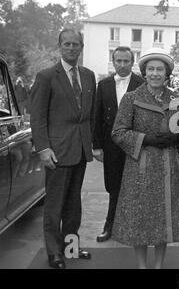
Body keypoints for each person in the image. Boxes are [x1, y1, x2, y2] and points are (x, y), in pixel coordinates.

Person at [111, 47, 179, 269]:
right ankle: (141, 266)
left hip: (168, 167)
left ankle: (158, 265)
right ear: (144, 72)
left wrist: (177, 139)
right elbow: (118, 132)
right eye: (151, 69)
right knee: (140, 218)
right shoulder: (131, 98)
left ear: (167, 74)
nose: (155, 73)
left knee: (163, 219)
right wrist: (145, 139)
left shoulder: (177, 99)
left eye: (160, 69)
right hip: (140, 167)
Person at [30, 28, 96, 269]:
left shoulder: (88, 76)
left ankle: (70, 247)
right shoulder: (46, 76)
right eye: (66, 44)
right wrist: (43, 148)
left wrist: (93, 144)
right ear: (59, 46)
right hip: (56, 152)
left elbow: (90, 115)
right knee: (54, 204)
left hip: (80, 150)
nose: (71, 48)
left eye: (75, 44)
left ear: (81, 47)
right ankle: (54, 252)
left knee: (73, 204)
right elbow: (37, 117)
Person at [92, 46, 144, 242]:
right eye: (118, 61)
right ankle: (110, 224)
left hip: (135, 142)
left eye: (126, 61)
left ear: (133, 62)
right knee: (113, 185)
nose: (122, 65)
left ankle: (135, 226)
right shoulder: (103, 84)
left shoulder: (142, 84)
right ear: (113, 62)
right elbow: (96, 116)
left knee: (135, 185)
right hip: (111, 143)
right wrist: (96, 145)